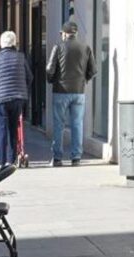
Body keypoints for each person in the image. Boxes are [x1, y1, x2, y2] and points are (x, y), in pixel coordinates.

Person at [46, 21, 97, 167]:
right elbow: (93, 71)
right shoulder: (86, 47)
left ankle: (57, 158)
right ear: (75, 34)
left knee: (59, 124)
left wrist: (51, 81)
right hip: (79, 91)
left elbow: (50, 70)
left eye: (62, 33)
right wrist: (83, 80)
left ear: (64, 33)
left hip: (61, 90)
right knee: (77, 124)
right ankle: (76, 157)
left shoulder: (58, 47)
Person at [0, 31, 32, 168]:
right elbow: (29, 77)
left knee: (1, 129)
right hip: (18, 98)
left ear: (1, 44)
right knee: (13, 128)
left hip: (1, 99)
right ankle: (12, 160)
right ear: (14, 43)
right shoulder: (21, 57)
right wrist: (22, 87)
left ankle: (1, 161)